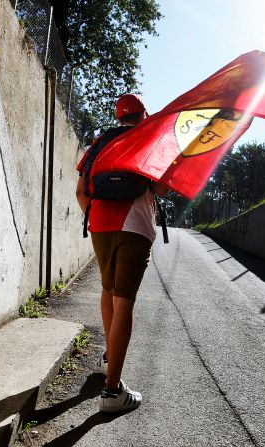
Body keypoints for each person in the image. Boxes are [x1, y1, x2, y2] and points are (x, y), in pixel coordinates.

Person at [76, 93, 169, 413]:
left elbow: (80, 190)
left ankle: (109, 358)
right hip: (135, 224)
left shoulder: (100, 142)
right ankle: (112, 391)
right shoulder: (148, 139)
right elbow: (161, 189)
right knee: (124, 300)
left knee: (107, 289)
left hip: (99, 223)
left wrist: (101, 216)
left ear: (118, 117)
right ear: (144, 114)